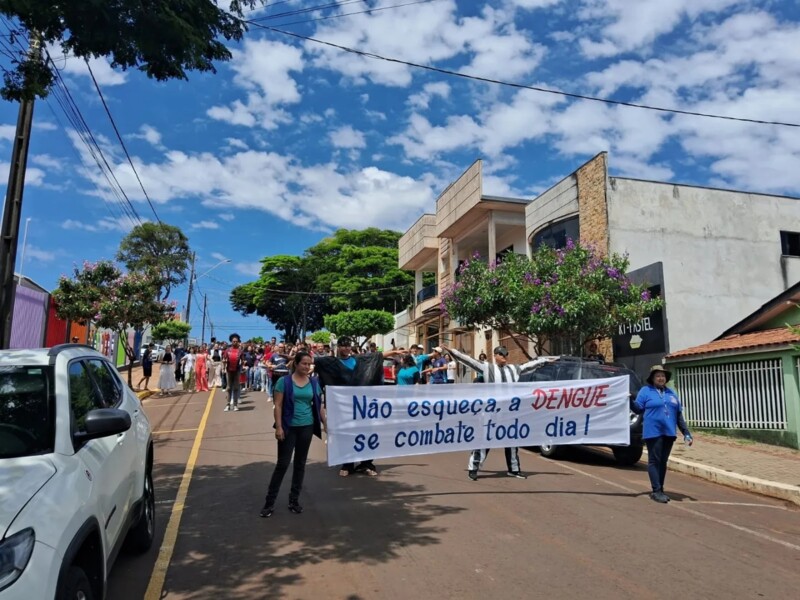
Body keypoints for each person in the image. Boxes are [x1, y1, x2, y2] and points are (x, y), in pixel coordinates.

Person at [444, 344, 554, 481]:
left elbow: (529, 366)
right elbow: (469, 360)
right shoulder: (487, 368)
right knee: (485, 441)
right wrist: (452, 351)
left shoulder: (514, 369)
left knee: (512, 441)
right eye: (501, 354)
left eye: (506, 354)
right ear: (495, 356)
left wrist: (545, 360)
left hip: (509, 412)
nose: (504, 357)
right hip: (491, 413)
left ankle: (514, 469)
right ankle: (473, 468)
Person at [314, 336, 402, 477]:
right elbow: (308, 361)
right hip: (344, 408)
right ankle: (348, 464)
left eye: (348, 345)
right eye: (343, 345)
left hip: (363, 406)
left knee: (367, 432)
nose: (346, 348)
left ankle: (366, 463)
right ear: (338, 347)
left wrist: (394, 352)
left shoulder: (359, 359)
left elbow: (377, 356)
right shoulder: (331, 362)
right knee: (346, 434)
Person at [260, 350, 327, 518]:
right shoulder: (284, 382)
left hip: (307, 427)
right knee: (282, 464)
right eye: (304, 363)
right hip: (289, 427)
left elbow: (319, 406)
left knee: (300, 464)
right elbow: (278, 405)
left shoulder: (313, 383)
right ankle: (269, 503)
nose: (307, 367)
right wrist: (279, 427)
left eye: (309, 364)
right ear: (296, 364)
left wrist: (325, 423)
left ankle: (294, 500)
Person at [631, 364, 693, 503]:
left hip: (669, 432)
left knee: (663, 462)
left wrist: (686, 433)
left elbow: (678, 415)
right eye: (658, 376)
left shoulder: (671, 393)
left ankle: (660, 488)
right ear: (652, 378)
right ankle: (656, 490)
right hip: (653, 432)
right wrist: (629, 400)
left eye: (663, 376)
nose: (661, 378)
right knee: (655, 460)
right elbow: (637, 409)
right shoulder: (645, 391)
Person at [223, 334, 244, 411]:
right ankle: (228, 405)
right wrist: (224, 365)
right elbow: (224, 360)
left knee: (236, 388)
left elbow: (242, 361)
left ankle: (235, 405)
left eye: (236, 341)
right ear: (231, 342)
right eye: (233, 341)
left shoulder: (240, 351)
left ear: (238, 342)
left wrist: (242, 365)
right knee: (228, 388)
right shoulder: (227, 350)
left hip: (237, 371)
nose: (235, 342)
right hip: (229, 371)